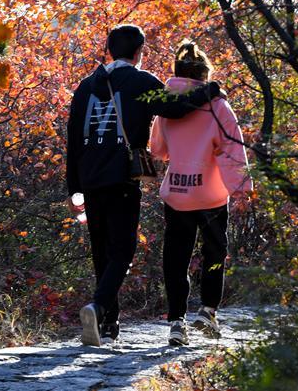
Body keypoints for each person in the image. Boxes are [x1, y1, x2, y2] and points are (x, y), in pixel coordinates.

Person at [66, 25, 221, 347]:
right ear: (139, 52)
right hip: (121, 178)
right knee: (122, 252)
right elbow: (175, 109)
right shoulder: (141, 81)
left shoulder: (85, 87)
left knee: (101, 251)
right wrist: (210, 90)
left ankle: (108, 325)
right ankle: (98, 307)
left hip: (90, 179)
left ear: (109, 50)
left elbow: (73, 140)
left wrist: (73, 188)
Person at [149, 41, 252, 346]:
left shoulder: (167, 105)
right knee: (215, 253)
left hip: (178, 193)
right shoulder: (218, 106)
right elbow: (233, 149)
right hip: (211, 195)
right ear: (205, 74)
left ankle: (176, 322)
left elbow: (158, 150)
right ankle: (208, 311)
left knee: (176, 258)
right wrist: (241, 188)